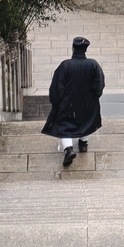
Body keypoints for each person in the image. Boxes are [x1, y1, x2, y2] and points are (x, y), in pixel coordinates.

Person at [41, 36, 105, 167]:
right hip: (88, 102)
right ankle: (83, 143)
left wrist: (55, 101)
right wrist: (95, 96)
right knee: (87, 122)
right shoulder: (93, 65)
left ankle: (68, 149)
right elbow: (99, 85)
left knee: (64, 125)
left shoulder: (65, 65)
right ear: (85, 49)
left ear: (73, 48)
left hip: (68, 104)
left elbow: (57, 86)